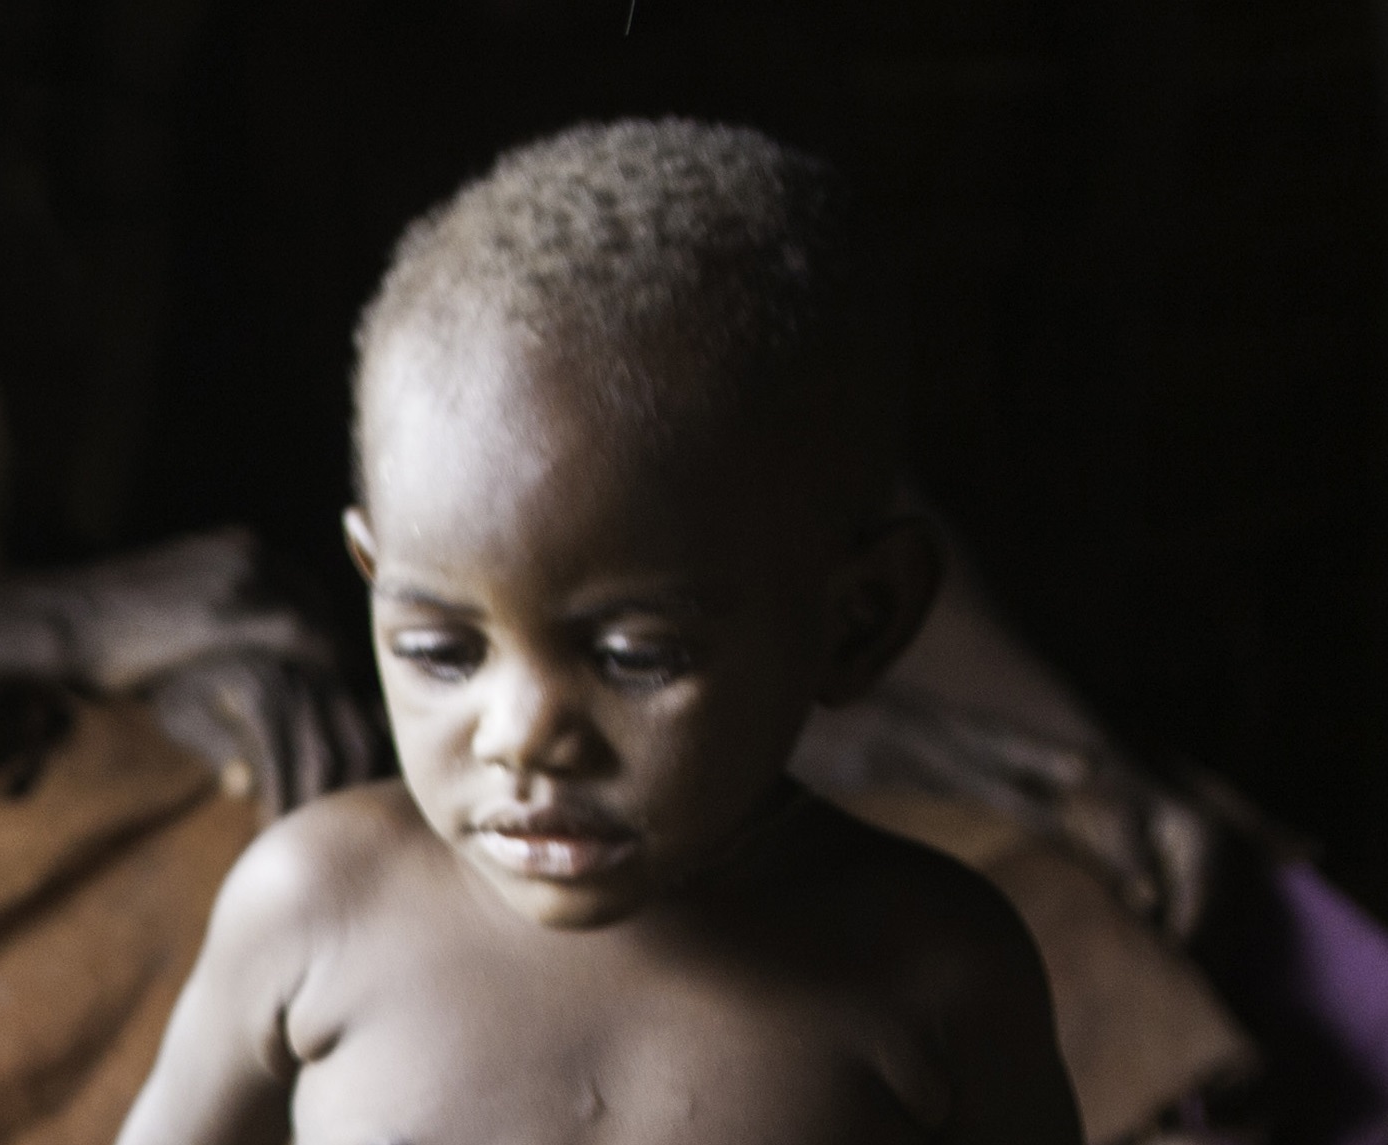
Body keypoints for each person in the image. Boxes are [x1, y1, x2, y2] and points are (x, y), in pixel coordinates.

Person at [118, 118, 1083, 1145]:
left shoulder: (935, 970)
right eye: (443, 650)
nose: (523, 735)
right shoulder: (313, 906)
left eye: (633, 655)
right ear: (373, 574)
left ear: (858, 621)